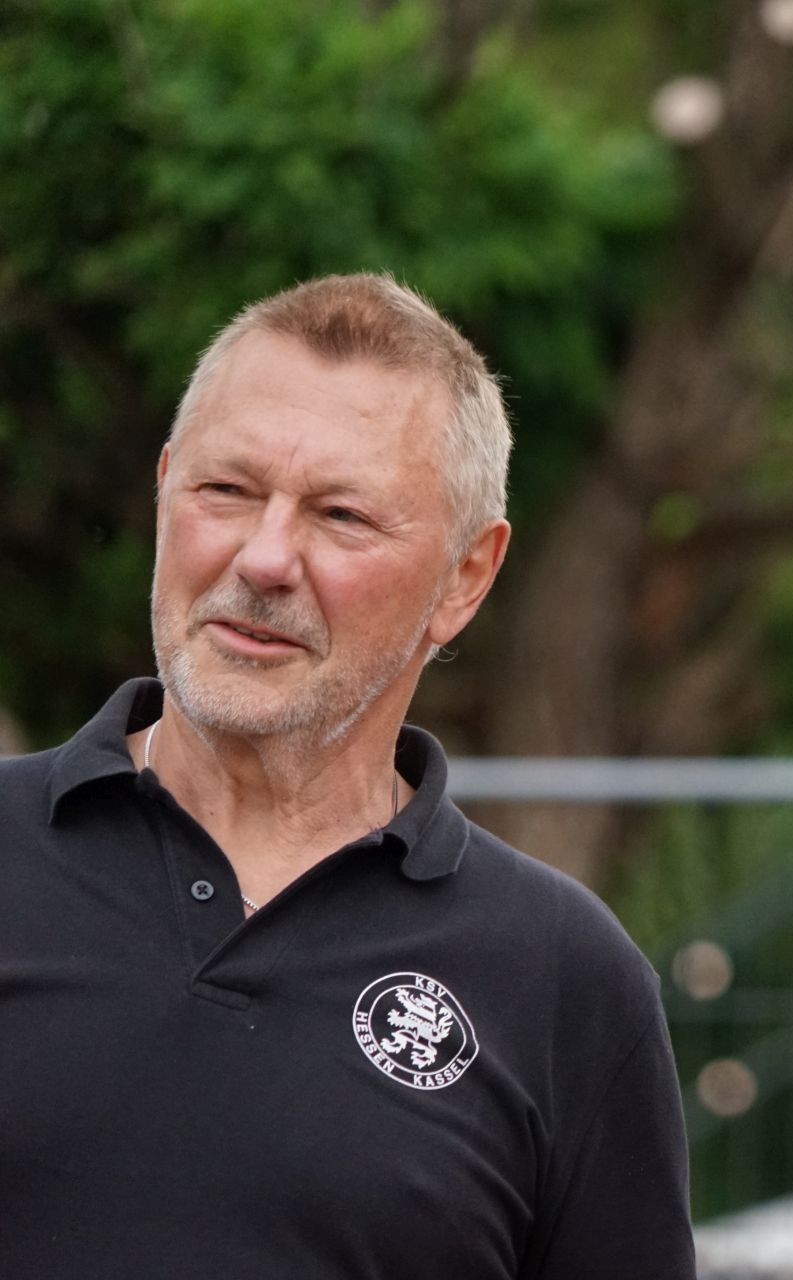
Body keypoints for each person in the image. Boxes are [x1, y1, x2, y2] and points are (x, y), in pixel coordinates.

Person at [0, 274, 695, 1278]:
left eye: (341, 515)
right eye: (226, 491)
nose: (265, 557)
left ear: (465, 577)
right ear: (164, 489)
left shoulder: (564, 980)